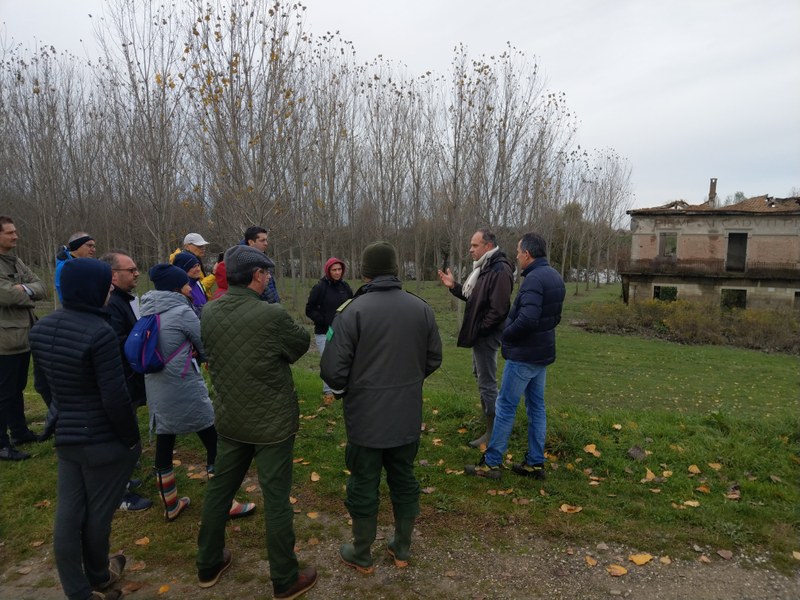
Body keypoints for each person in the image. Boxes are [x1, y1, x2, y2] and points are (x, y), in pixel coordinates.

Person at [197, 245, 316, 598]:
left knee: (220, 489)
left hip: (231, 418)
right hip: (272, 425)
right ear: (255, 276)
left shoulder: (209, 312)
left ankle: (208, 562)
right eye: (265, 273)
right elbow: (299, 344)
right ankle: (284, 578)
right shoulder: (271, 315)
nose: (267, 279)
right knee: (276, 498)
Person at [321, 241, 442, 572]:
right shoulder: (421, 308)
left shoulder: (351, 312)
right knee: (404, 478)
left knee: (363, 482)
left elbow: (332, 369)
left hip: (365, 419)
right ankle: (401, 548)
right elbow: (434, 358)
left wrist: (349, 389)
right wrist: (407, 382)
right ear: (395, 271)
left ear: (365, 272)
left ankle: (362, 553)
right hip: (406, 416)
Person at [30, 258, 140, 600]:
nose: (110, 291)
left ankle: (79, 589)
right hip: (103, 439)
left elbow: (43, 386)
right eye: (105, 286)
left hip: (67, 437)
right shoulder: (100, 332)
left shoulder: (42, 328)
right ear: (92, 289)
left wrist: (64, 413)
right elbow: (115, 396)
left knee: (68, 516)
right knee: (98, 515)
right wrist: (130, 439)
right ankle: (97, 575)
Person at [141, 264, 255, 522]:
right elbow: (205, 343)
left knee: (165, 440)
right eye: (185, 284)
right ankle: (225, 502)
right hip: (183, 385)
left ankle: (170, 504)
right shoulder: (182, 311)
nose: (190, 287)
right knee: (212, 438)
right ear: (176, 287)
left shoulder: (147, 308)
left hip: (157, 386)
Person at [465, 232, 565, 481]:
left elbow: (528, 319)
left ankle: (491, 462)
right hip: (541, 354)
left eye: (519, 252)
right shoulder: (554, 276)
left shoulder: (533, 281)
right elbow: (555, 318)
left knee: (506, 406)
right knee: (536, 408)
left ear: (528, 254)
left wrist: (506, 334)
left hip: (523, 356)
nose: (517, 256)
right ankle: (534, 462)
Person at [437, 228, 513, 449]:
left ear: (488, 246)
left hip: (487, 336)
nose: (470, 249)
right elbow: (474, 298)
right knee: (480, 376)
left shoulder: (499, 269)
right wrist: (454, 287)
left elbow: (498, 310)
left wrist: (479, 330)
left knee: (487, 382)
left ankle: (494, 433)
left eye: (474, 245)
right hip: (481, 335)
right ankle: (489, 427)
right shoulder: (484, 268)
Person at [99, 250, 153, 513]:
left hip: (127, 379)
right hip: (118, 381)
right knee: (118, 434)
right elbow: (118, 343)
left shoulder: (123, 300)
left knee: (126, 429)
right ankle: (119, 493)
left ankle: (124, 480)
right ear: (113, 275)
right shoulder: (111, 304)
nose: (136, 273)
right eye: (130, 270)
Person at [0, 216, 47, 461]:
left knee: (17, 388)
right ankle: (2, 443)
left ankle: (19, 432)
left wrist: (25, 290)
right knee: (4, 391)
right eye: (10, 233)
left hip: (23, 335)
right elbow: (7, 296)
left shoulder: (15, 261)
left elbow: (41, 286)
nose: (15, 236)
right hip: (5, 339)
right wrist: (25, 292)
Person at [305, 257, 353, 405]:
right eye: (334, 270)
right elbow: (309, 309)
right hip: (324, 332)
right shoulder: (320, 287)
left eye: (339, 269)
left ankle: (343, 390)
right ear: (328, 271)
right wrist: (323, 320)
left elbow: (352, 305)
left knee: (344, 360)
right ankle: (328, 392)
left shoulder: (345, 287)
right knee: (327, 361)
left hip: (342, 332)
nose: (337, 272)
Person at [55, 232, 97, 304]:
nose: (94, 250)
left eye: (94, 246)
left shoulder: (86, 264)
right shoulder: (65, 268)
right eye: (90, 246)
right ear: (77, 245)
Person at [170, 233, 215, 298]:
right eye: (199, 246)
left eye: (203, 246)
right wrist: (214, 274)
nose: (202, 248)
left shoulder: (195, 260)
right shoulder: (183, 264)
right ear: (187, 247)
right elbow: (198, 288)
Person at [243, 226, 280, 303]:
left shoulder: (263, 259)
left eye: (266, 240)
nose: (266, 243)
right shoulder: (245, 262)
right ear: (251, 242)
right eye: (262, 240)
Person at [172, 251, 208, 316]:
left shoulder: (198, 284)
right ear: (184, 269)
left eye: (198, 265)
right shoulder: (179, 290)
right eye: (194, 266)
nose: (198, 269)